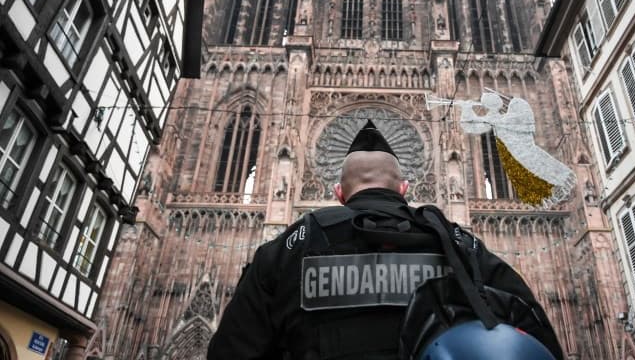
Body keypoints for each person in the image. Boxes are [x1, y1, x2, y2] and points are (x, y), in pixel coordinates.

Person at [207, 120, 563, 360]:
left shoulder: (288, 249)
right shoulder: (457, 245)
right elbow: (533, 341)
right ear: (405, 189)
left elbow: (231, 351)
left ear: (338, 193)